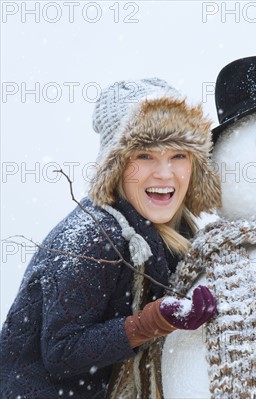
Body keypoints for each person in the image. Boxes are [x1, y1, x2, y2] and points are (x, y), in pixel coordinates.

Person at [0, 78, 221, 398]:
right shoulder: (91, 238)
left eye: (178, 155)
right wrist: (150, 322)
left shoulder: (175, 234)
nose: (164, 173)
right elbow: (62, 352)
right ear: (115, 166)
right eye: (144, 155)